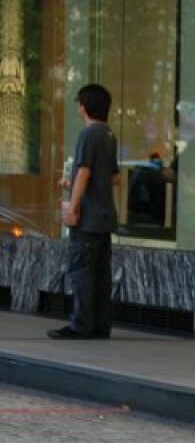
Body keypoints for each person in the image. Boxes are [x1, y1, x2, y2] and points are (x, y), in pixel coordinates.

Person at [49, 84, 118, 340]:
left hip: (88, 218)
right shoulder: (109, 135)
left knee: (82, 272)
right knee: (101, 274)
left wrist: (73, 205)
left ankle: (81, 324)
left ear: (83, 107)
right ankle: (100, 324)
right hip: (105, 216)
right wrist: (75, 183)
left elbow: (85, 171)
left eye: (79, 104)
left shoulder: (88, 135)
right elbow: (113, 176)